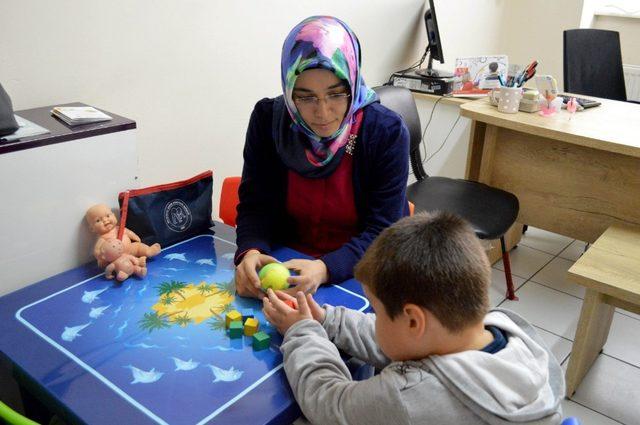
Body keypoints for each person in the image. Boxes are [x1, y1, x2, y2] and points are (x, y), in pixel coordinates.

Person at [262, 212, 565, 425]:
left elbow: (329, 404)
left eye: (376, 311)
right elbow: (407, 344)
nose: (374, 318)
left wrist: (303, 331)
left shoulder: (408, 397)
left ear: (413, 321)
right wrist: (327, 319)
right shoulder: (504, 334)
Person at [235, 16, 410, 298]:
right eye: (305, 97)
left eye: (336, 94)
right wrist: (250, 250)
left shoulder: (385, 132)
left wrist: (325, 268)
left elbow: (385, 230)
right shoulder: (269, 121)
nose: (323, 112)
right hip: (286, 263)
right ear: (289, 91)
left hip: (360, 270)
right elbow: (256, 205)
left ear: (352, 83)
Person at [85, 204, 161, 268]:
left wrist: (135, 237)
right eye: (98, 220)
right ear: (92, 228)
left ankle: (148, 251)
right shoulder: (103, 238)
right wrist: (100, 258)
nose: (105, 220)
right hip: (116, 257)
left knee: (138, 246)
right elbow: (97, 250)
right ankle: (137, 263)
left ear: (114, 215)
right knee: (121, 264)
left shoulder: (119, 229)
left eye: (108, 216)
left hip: (130, 248)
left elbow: (129, 232)